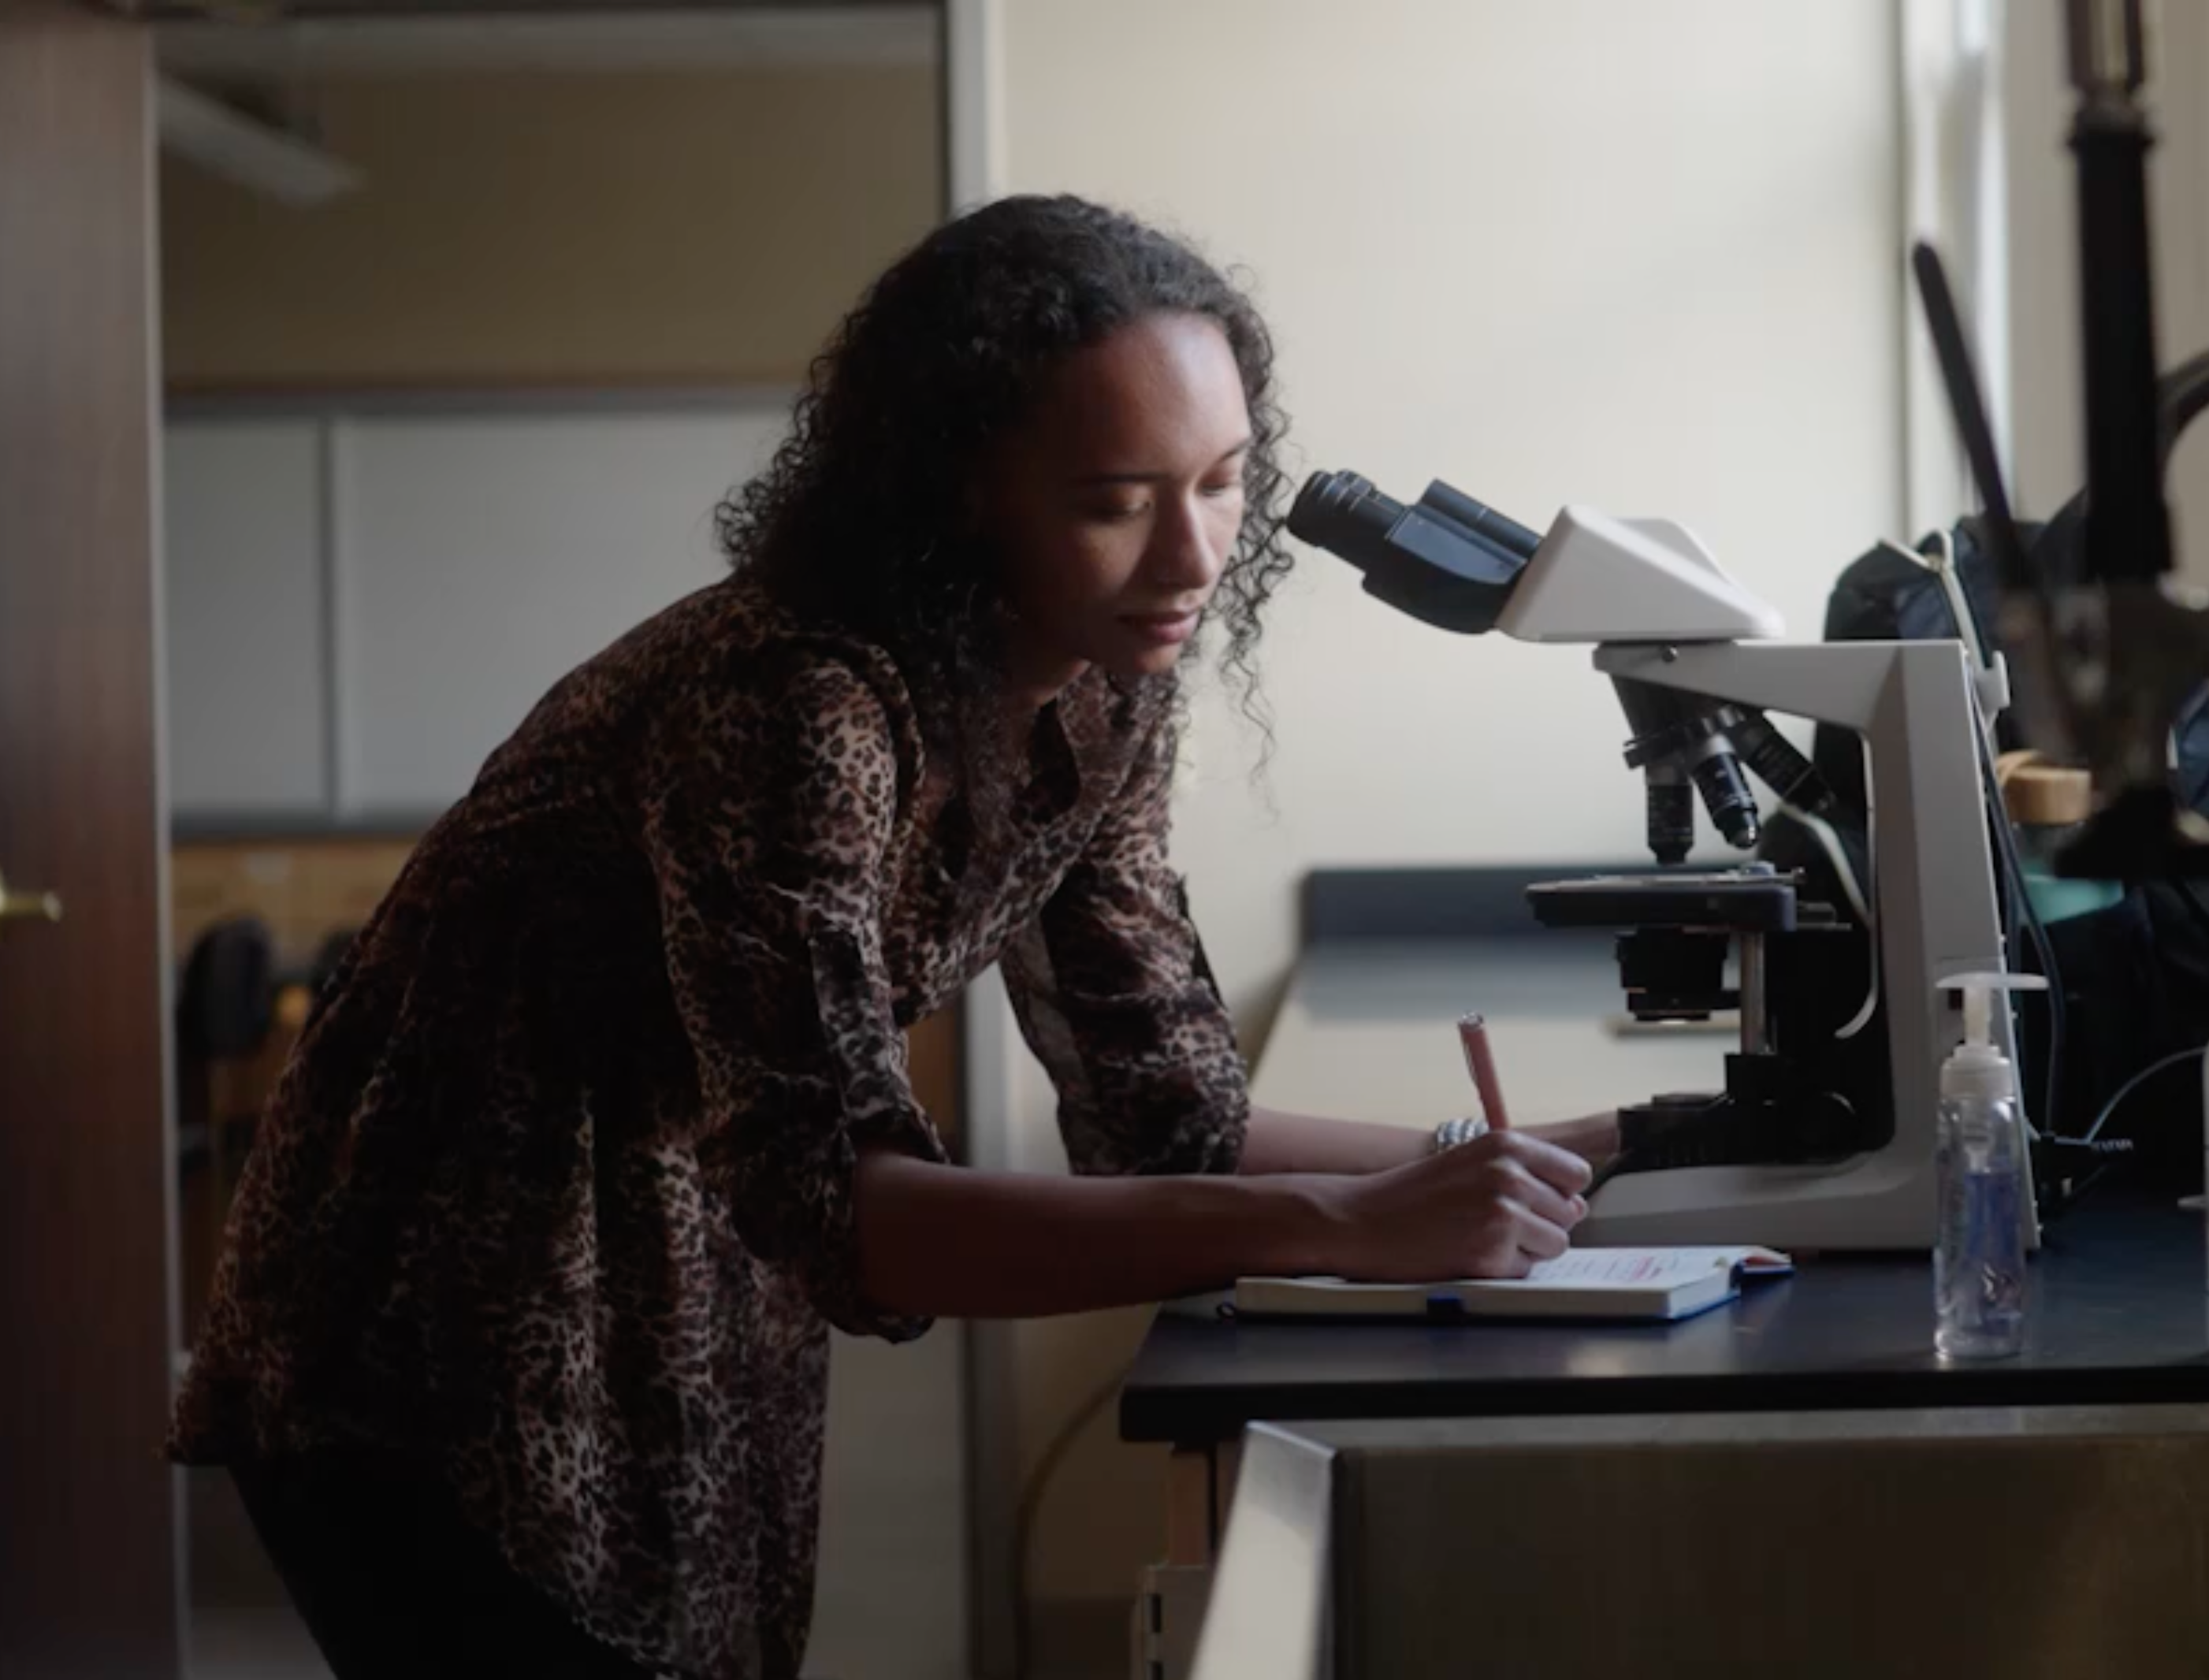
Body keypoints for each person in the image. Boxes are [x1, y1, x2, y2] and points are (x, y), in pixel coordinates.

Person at [169, 195, 1616, 1679]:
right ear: (959, 489)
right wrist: (1345, 1228)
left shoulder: (1102, 684)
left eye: (1225, 483)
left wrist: (1582, 1159)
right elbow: (847, 1208)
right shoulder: (792, 700)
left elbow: (1166, 1115)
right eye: (1118, 500)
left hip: (682, 1295)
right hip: (434, 1335)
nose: (1191, 555)